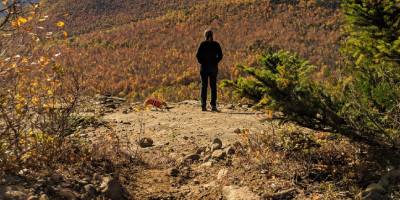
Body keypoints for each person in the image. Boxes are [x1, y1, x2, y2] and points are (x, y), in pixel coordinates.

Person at [196, 29, 223, 112]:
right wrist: (216, 61)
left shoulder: (203, 44)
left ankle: (203, 105)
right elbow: (221, 55)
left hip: (204, 68)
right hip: (213, 68)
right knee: (213, 87)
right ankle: (213, 105)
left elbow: (197, 55)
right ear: (212, 35)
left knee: (204, 86)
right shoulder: (216, 44)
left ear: (205, 36)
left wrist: (202, 62)